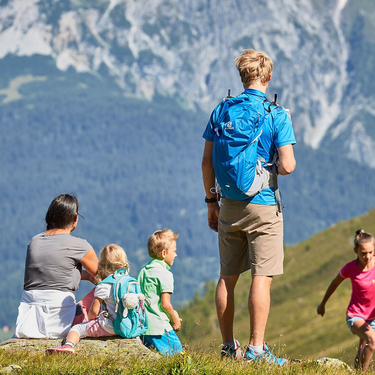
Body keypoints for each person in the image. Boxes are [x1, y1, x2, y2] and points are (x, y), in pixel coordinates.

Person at [201, 49, 296, 366]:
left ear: (242, 77)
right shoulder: (276, 114)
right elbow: (288, 165)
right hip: (263, 205)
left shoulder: (222, 110)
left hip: (227, 205)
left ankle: (229, 347)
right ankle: (256, 350)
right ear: (268, 77)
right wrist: (273, 167)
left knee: (227, 276)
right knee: (261, 276)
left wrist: (212, 203)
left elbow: (206, 161)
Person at [14, 194, 99, 339]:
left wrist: (84, 275)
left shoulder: (34, 242)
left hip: (28, 319)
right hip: (62, 320)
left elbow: (54, 272)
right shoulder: (80, 245)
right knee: (104, 288)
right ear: (75, 219)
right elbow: (103, 274)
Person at [46, 244, 129, 354]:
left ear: (102, 265)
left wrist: (91, 321)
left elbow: (94, 311)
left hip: (109, 327)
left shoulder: (104, 285)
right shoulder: (129, 282)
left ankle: (69, 345)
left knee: (77, 329)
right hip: (126, 325)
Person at [317, 229, 375, 372]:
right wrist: (322, 304)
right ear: (356, 251)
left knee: (363, 346)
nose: (367, 256)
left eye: (370, 252)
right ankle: (363, 373)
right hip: (355, 316)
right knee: (372, 341)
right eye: (363, 253)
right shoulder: (350, 268)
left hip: (372, 317)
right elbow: (335, 283)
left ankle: (355, 371)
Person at [137, 229, 183, 356]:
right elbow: (165, 304)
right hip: (160, 328)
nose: (176, 255)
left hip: (143, 327)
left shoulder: (144, 271)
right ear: (164, 253)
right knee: (180, 359)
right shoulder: (165, 274)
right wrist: (175, 319)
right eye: (174, 251)